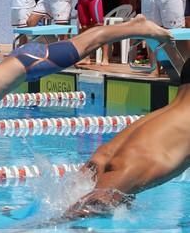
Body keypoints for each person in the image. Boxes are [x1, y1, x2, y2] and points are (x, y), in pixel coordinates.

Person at [0, 15, 171, 147]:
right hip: (22, 62)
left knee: (88, 42)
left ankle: (138, 26)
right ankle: (134, 25)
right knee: (84, 42)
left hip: (28, 63)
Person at [64, 58, 190, 219]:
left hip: (105, 155)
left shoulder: (167, 113)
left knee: (68, 214)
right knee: (64, 223)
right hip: (132, 164)